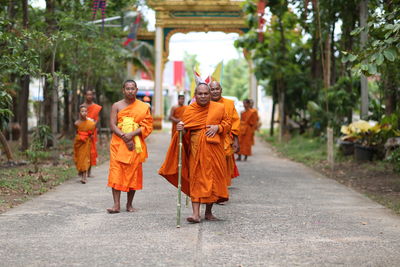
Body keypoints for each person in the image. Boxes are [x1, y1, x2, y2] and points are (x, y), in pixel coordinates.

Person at [159, 83, 231, 223]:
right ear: (195, 95)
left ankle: (209, 213)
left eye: (206, 93)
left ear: (210, 95)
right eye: (200, 94)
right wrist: (181, 128)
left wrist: (218, 127)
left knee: (213, 180)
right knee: (197, 179)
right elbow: (186, 130)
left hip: (214, 150)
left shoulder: (219, 108)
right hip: (197, 150)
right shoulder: (190, 110)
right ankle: (196, 214)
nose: (203, 96)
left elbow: (228, 124)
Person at [107, 80, 153, 213]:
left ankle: (129, 204)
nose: (130, 91)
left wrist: (131, 134)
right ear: (123, 90)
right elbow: (112, 124)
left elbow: (147, 126)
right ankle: (116, 205)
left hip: (135, 143)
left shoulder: (143, 107)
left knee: (133, 172)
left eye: (133, 88)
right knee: (116, 171)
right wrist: (124, 136)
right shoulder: (116, 105)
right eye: (128, 88)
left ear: (136, 90)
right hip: (118, 143)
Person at [209, 81, 240, 186]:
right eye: (212, 89)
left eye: (217, 89)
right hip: (208, 139)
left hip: (225, 140)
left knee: (223, 167)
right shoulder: (205, 103)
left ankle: (222, 193)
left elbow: (235, 122)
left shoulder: (229, 104)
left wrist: (236, 140)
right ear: (209, 91)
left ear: (221, 90)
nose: (215, 91)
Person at [82, 90, 102, 177]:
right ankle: (84, 172)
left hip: (92, 132)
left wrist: (92, 125)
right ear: (85, 95)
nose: (89, 96)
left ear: (93, 96)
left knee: (91, 152)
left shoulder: (96, 107)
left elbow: (97, 119)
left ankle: (89, 172)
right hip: (82, 132)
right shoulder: (82, 107)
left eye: (91, 94)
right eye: (88, 94)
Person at [73, 105, 96, 184]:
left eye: (85, 111)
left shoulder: (91, 123)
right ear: (79, 113)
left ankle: (84, 176)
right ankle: (81, 171)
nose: (84, 113)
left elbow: (91, 133)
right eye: (82, 111)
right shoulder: (76, 123)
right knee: (79, 158)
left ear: (87, 112)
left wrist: (88, 136)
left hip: (86, 143)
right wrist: (80, 137)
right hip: (79, 143)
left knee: (85, 158)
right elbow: (76, 132)